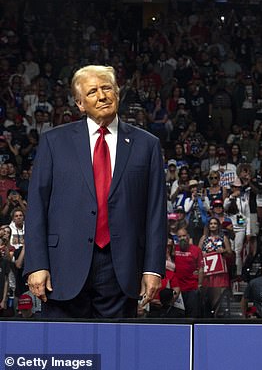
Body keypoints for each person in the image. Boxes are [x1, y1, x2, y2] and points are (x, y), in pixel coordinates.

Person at [25, 65, 166, 318]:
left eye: (106, 88)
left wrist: (153, 269)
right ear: (80, 103)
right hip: (62, 267)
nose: (102, 96)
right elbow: (36, 207)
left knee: (116, 352)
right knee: (64, 353)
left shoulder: (147, 145)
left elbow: (155, 212)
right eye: (92, 92)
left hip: (121, 268)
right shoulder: (53, 142)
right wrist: (36, 264)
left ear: (118, 93)